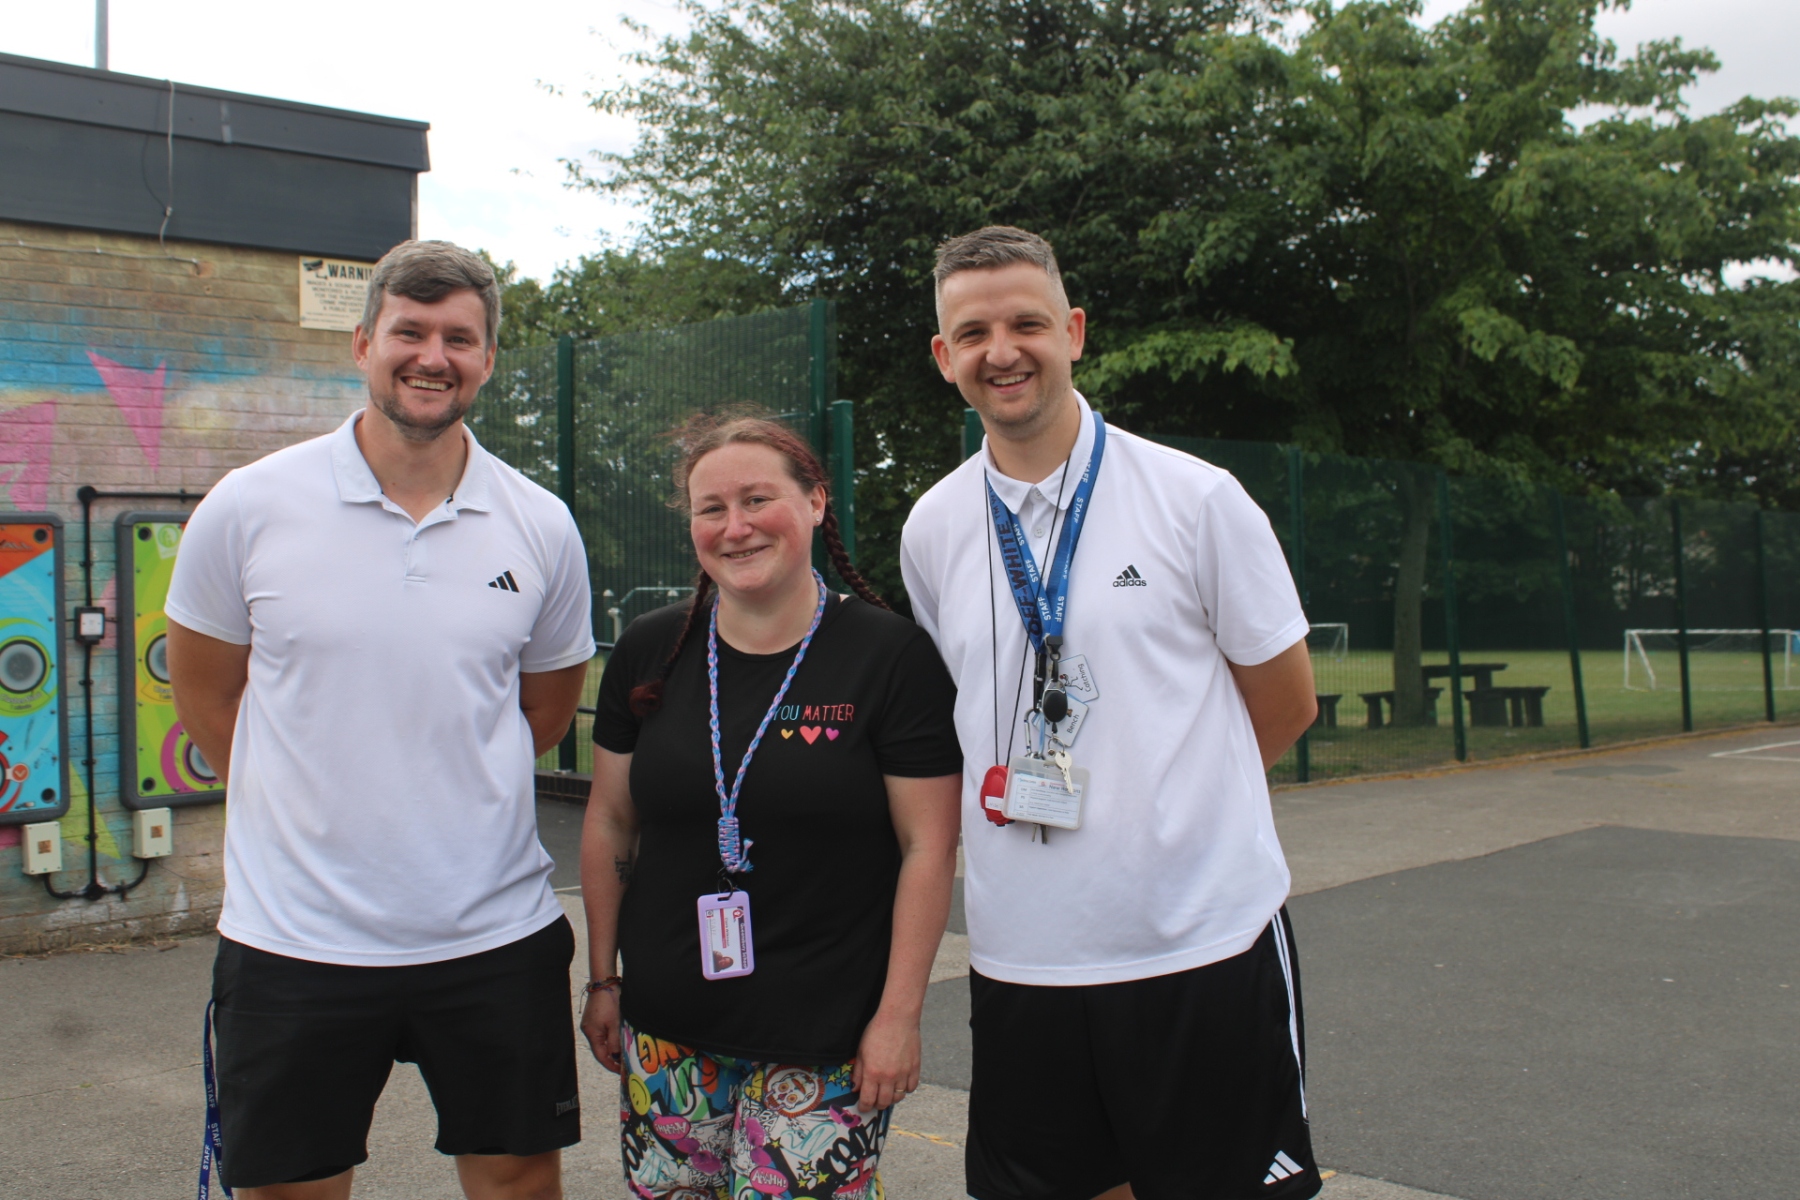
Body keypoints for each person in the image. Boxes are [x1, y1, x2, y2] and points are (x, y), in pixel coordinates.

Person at [165, 240, 595, 1200]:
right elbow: (208, 699)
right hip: (294, 939)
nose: (432, 356)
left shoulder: (540, 524)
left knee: (521, 1183)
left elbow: (541, 711)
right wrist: (307, 797)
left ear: (487, 359)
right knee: (291, 1191)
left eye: (459, 338)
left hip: (494, 934)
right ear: (364, 344)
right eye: (410, 331)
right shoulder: (248, 506)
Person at [899, 226, 1323, 1200]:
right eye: (974, 334)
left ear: (1075, 332)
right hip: (1023, 956)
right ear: (944, 357)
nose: (1002, 351)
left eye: (1026, 323)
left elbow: (1286, 700)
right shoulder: (933, 527)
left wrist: (1166, 809)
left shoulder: (1195, 498)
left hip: (1198, 942)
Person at [578, 412, 963, 1200]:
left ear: (816, 501)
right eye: (711, 508)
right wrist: (604, 980)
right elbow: (612, 820)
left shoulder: (890, 656)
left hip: (825, 1036)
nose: (736, 526)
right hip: (668, 1032)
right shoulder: (652, 649)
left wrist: (898, 1017)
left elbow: (928, 847)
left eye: (758, 499)